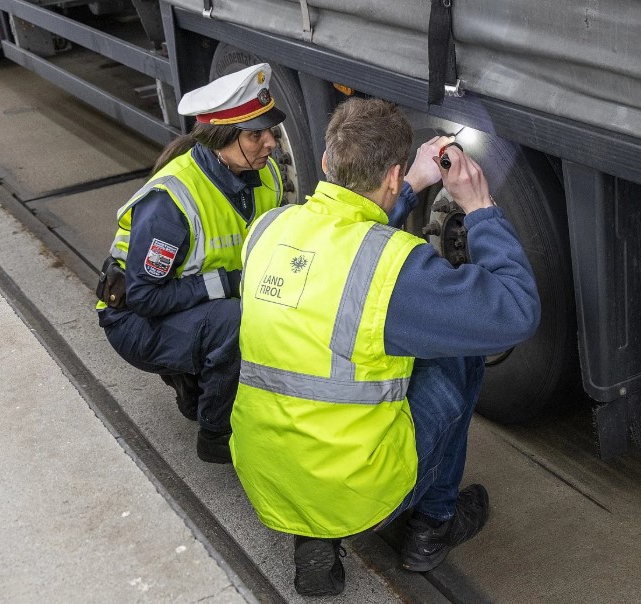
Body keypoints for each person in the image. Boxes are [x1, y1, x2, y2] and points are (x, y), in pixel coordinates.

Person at [230, 97, 541, 596]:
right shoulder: (398, 266)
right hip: (356, 490)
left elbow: (350, 241)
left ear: (327, 161)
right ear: (392, 176)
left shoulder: (269, 230)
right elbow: (516, 311)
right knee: (457, 349)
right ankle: (433, 526)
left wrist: (410, 184)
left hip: (263, 473)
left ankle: (313, 535)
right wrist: (480, 207)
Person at [95, 63, 289, 464]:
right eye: (256, 135)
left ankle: (197, 382)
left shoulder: (266, 173)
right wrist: (228, 283)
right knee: (235, 321)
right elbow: (144, 297)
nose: (271, 143)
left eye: (270, 130)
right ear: (222, 139)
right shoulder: (171, 201)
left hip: (191, 306)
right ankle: (217, 434)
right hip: (133, 319)